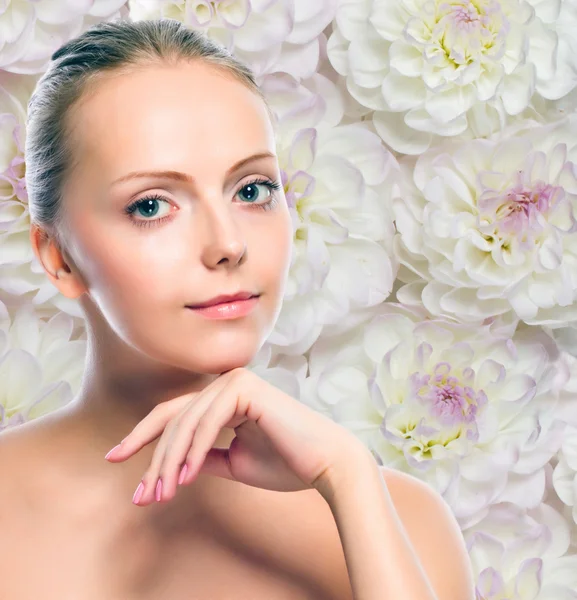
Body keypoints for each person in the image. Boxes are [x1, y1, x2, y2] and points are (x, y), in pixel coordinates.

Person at [0, 18, 475, 600]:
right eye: (152, 205)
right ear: (58, 257)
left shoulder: (398, 519)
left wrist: (348, 478)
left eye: (252, 190)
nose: (228, 244)